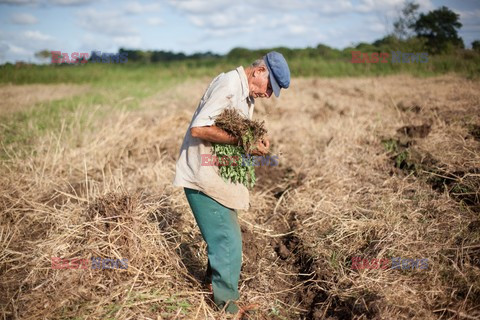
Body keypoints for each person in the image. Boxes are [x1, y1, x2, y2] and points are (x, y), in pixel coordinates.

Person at [173, 51, 290, 315]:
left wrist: (255, 139)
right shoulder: (228, 84)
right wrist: (243, 142)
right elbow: (199, 129)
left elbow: (234, 129)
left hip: (218, 175)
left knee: (224, 237)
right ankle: (227, 308)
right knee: (228, 241)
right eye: (270, 87)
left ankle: (212, 289)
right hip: (202, 174)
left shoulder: (244, 93)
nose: (269, 94)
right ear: (259, 72)